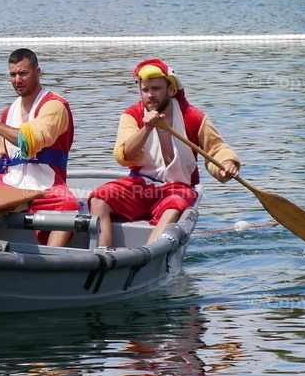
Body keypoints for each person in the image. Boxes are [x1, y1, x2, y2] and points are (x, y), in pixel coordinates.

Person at [88, 58, 240, 247]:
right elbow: (125, 156)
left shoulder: (193, 117)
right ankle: (102, 256)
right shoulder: (132, 115)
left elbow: (217, 150)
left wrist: (227, 165)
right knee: (99, 198)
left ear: (171, 90)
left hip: (178, 188)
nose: (150, 95)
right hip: (139, 186)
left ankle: (147, 257)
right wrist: (146, 128)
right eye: (145, 90)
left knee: (174, 206)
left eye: (156, 89)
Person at [0, 48, 78, 246]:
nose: (17, 79)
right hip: (11, 182)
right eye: (13, 74)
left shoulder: (54, 106)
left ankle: (54, 259)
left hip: (47, 184)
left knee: (69, 204)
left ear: (37, 72)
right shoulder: (7, 113)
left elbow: (28, 141)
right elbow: (0, 158)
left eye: (23, 73)